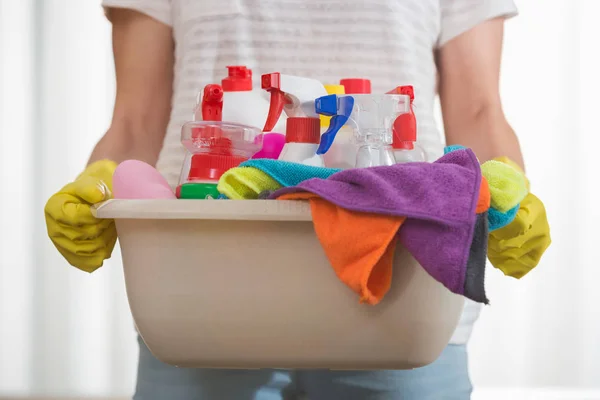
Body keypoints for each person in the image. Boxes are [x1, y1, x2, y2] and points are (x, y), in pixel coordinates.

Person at [44, 1, 525, 398]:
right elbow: (136, 117)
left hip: (399, 289)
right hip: (204, 291)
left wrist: (508, 199)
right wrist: (104, 188)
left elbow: (478, 109)